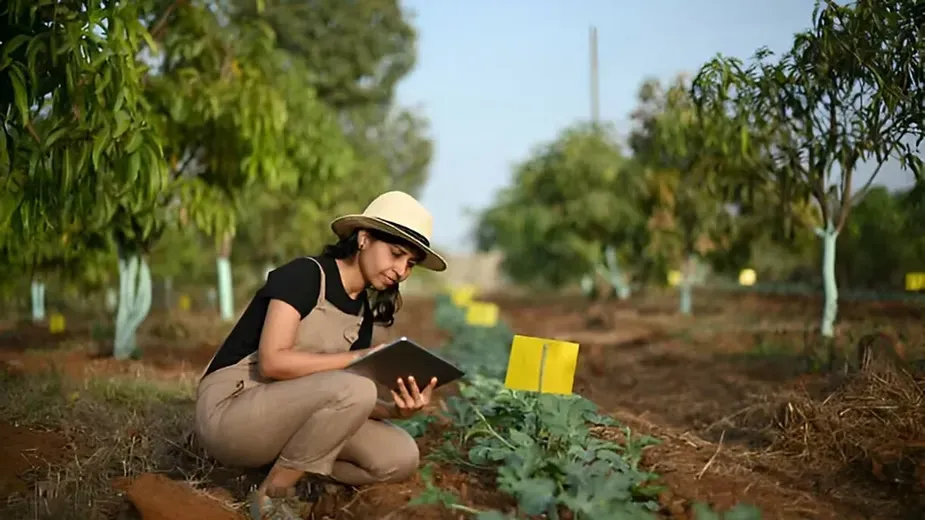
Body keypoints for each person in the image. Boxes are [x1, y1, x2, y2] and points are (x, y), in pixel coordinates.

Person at [193, 191, 448, 520]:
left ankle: (298, 469)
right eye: (396, 254)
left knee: (399, 456)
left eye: (410, 264)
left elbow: (343, 401)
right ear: (364, 239)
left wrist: (397, 412)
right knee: (356, 385)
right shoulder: (305, 275)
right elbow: (273, 362)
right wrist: (359, 359)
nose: (401, 271)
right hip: (232, 411)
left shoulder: (362, 315)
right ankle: (273, 497)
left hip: (285, 418)